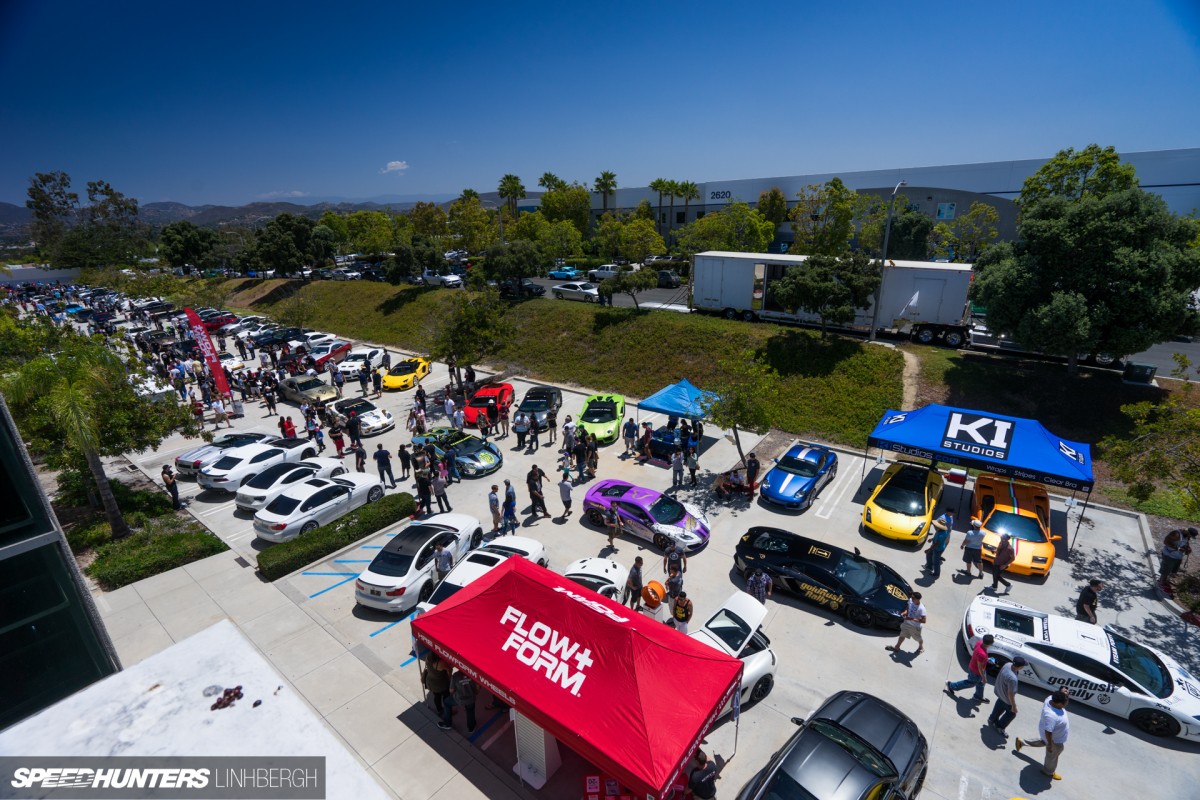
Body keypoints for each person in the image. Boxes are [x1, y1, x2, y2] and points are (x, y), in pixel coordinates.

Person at [1016, 688, 1071, 781]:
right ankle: (1048, 771)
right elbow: (1048, 732)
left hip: (1046, 734)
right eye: (1065, 702)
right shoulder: (1052, 716)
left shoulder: (1050, 699)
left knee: (1043, 741)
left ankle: (1021, 742)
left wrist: (1063, 694)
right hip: (1054, 740)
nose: (1067, 703)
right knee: (1052, 756)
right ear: (1058, 703)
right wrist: (1050, 745)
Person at [947, 634, 993, 703]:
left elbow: (977, 654)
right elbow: (980, 667)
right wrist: (983, 677)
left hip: (976, 668)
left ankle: (978, 696)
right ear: (989, 644)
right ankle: (951, 685)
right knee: (969, 683)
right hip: (976, 673)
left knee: (981, 684)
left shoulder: (979, 643)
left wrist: (986, 660)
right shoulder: (982, 654)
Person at [988, 655, 1027, 737]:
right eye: (1023, 665)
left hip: (1000, 692)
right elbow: (1010, 693)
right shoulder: (1012, 678)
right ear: (1020, 667)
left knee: (1000, 705)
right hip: (1007, 698)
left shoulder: (1008, 664)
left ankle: (992, 719)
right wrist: (1014, 706)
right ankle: (1000, 726)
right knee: (1012, 714)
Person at [446, 669, 478, 733]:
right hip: (470, 699)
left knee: (446, 703)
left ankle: (447, 723)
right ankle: (471, 727)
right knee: (470, 711)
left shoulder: (455, 676)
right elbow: (477, 688)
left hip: (459, 699)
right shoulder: (473, 674)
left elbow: (451, 690)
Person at [925, 512, 953, 578]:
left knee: (936, 562)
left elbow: (937, 544)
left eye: (935, 525)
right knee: (929, 555)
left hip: (937, 549)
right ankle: (929, 567)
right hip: (935, 546)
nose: (934, 526)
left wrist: (929, 549)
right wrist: (932, 539)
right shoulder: (940, 531)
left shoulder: (941, 534)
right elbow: (936, 538)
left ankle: (936, 574)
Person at [423, 653, 451, 718]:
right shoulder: (440, 663)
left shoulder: (428, 657)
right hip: (441, 683)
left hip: (431, 682)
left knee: (437, 696)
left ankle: (439, 710)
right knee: (446, 697)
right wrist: (450, 680)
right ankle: (447, 712)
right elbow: (449, 670)